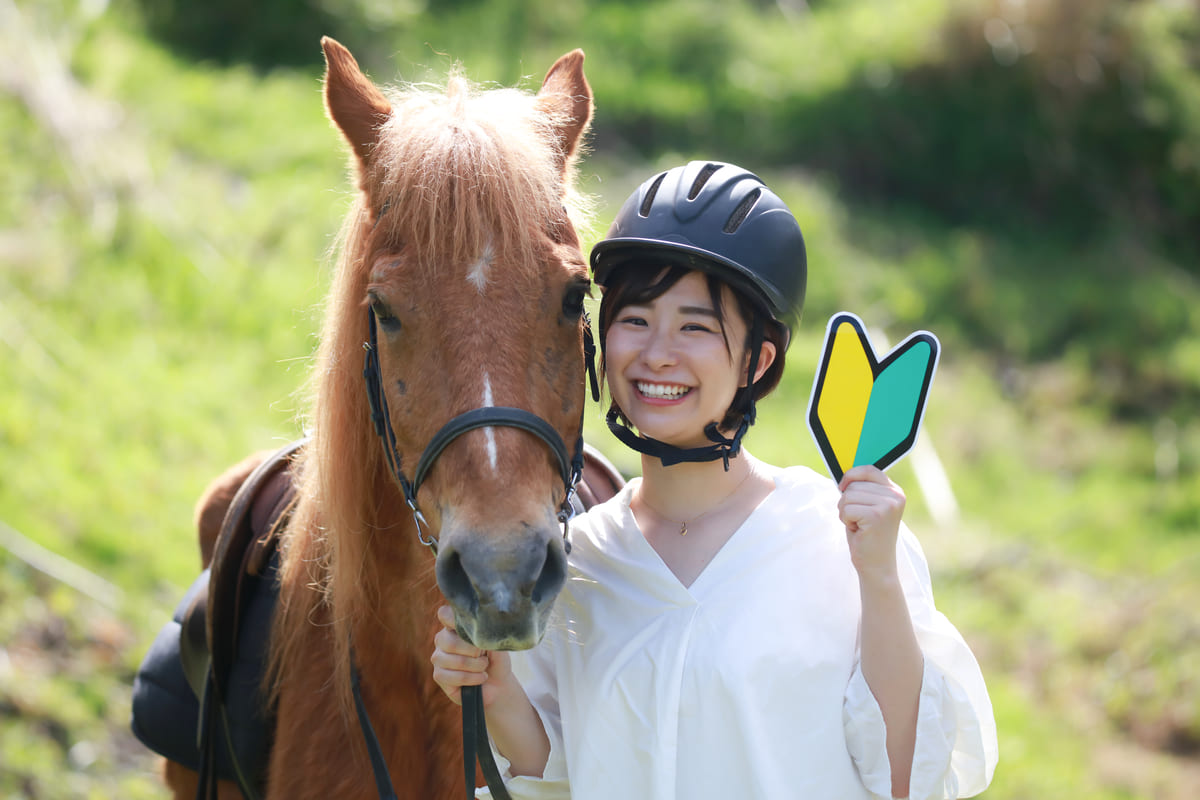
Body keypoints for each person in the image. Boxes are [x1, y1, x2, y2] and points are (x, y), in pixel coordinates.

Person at [431, 161, 998, 799]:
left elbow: (906, 775)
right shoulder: (579, 560)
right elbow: (565, 779)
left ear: (758, 361)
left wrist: (880, 576)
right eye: (635, 319)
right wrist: (498, 692)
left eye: (695, 326)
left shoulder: (835, 537)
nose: (657, 354)